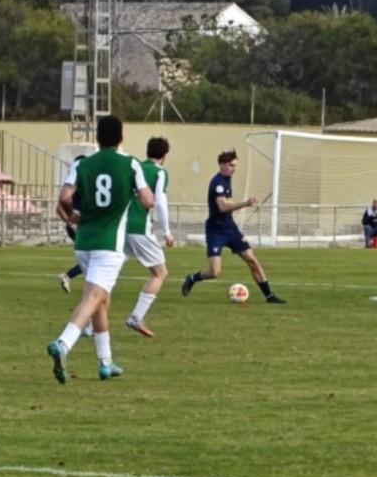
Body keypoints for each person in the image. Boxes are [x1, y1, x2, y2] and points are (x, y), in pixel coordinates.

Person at [46, 115, 154, 384]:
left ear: (97, 137)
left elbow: (63, 197)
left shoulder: (83, 163)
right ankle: (63, 343)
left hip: (83, 242)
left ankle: (105, 362)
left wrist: (73, 215)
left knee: (102, 301)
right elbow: (148, 200)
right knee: (94, 298)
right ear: (121, 137)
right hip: (109, 243)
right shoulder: (130, 163)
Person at [180, 149, 286, 304]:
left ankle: (269, 296)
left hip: (230, 228)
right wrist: (246, 203)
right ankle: (192, 278)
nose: (233, 168)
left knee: (252, 260)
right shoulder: (218, 183)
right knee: (214, 272)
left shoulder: (227, 180)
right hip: (216, 230)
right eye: (230, 165)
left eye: (235, 165)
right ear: (222, 165)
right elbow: (222, 207)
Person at [124, 137, 175, 337]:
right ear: (164, 156)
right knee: (160, 273)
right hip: (139, 228)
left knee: (107, 275)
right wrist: (167, 232)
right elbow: (160, 203)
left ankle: (90, 324)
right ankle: (136, 317)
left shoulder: (134, 167)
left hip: (121, 227)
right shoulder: (159, 172)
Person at [55, 154, 88, 294]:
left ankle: (68, 276)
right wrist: (71, 222)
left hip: (81, 227)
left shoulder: (75, 186)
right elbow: (59, 207)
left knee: (91, 257)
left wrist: (69, 222)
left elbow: (58, 208)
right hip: (80, 227)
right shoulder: (76, 188)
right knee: (92, 258)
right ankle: (69, 276)